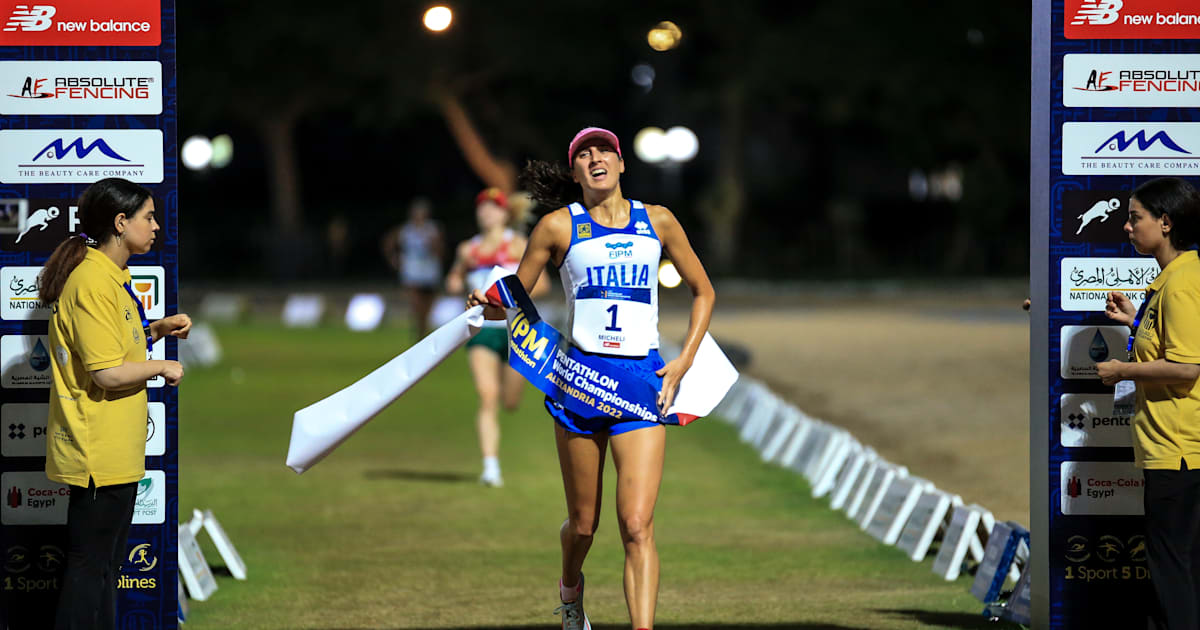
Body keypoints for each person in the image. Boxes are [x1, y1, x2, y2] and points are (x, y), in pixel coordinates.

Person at [469, 127, 715, 630]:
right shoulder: (559, 228)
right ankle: (569, 588)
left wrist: (685, 359)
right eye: (583, 154)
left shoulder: (659, 221)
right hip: (579, 384)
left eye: (604, 150)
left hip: (643, 387)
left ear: (622, 164)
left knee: (637, 525)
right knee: (584, 525)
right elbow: (516, 298)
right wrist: (487, 305)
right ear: (577, 171)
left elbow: (703, 292)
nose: (594, 157)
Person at [38, 178, 191, 630]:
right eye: (148, 217)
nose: (157, 226)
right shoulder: (91, 281)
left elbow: (110, 348)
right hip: (96, 455)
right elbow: (105, 374)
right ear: (121, 223)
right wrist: (161, 367)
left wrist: (155, 331)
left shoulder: (110, 276)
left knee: (102, 570)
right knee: (89, 570)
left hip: (114, 452)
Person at [1096, 177, 1200, 630]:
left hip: (1177, 449)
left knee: (1171, 571)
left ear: (1166, 221)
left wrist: (1123, 370)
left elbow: (1186, 367)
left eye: (1135, 218)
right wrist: (1136, 320)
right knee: (1176, 567)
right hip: (1172, 447)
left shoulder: (1180, 285)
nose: (1127, 226)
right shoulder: (1172, 280)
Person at [446, 188, 546, 487]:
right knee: (487, 396)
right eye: (483, 207)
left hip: (516, 331)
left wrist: (509, 297)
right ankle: (491, 468)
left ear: (505, 213)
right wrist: (455, 284)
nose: (487, 212)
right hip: (481, 331)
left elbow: (541, 286)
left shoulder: (518, 245)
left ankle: (508, 403)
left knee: (510, 401)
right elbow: (453, 278)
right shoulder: (468, 250)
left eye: (494, 207)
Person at [382, 197, 444, 339]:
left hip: (430, 270)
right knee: (416, 304)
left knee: (428, 305)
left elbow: (440, 249)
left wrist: (435, 251)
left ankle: (423, 329)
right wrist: (393, 259)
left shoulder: (432, 229)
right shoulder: (406, 230)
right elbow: (388, 242)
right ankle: (419, 332)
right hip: (412, 271)